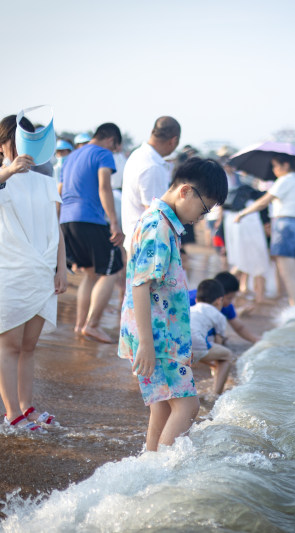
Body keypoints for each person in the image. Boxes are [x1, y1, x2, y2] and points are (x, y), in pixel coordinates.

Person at [119, 157, 227, 451]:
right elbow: (140, 285)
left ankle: (150, 467)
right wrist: (146, 344)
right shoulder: (159, 227)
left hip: (159, 332)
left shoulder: (161, 221)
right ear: (186, 191)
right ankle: (162, 474)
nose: (201, 218)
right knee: (188, 408)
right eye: (204, 209)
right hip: (155, 336)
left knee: (163, 407)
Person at [0, 114, 68, 431]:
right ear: (2, 143)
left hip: (43, 269)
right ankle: (12, 413)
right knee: (10, 346)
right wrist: (9, 169)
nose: (24, 146)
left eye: (30, 139)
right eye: (18, 139)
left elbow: (55, 227)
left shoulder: (46, 180)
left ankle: (26, 407)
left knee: (29, 347)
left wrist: (62, 268)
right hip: (9, 271)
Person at [60, 123, 124, 343]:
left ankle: (80, 325)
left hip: (67, 220)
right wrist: (114, 223)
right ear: (110, 140)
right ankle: (93, 324)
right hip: (90, 218)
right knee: (112, 270)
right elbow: (104, 187)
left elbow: (60, 191)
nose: (114, 152)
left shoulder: (71, 157)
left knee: (89, 273)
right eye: (115, 148)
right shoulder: (103, 154)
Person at [234, 154, 295, 306]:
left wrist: (243, 213)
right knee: (292, 269)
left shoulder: (286, 179)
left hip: (284, 224)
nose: (274, 170)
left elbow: (264, 201)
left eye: (275, 166)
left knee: (288, 271)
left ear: (285, 165)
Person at [121, 116, 180, 250]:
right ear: (173, 140)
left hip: (134, 237)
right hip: (147, 244)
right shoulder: (153, 166)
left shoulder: (137, 155)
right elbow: (155, 214)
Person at [222, 180, 270, 303]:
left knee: (241, 263)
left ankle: (222, 288)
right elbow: (267, 226)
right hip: (252, 229)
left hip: (234, 225)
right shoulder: (260, 203)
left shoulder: (239, 205)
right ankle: (260, 297)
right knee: (260, 263)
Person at [190, 279, 235, 397]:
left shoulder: (190, 309)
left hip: (178, 344)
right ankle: (215, 395)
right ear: (219, 300)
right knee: (227, 355)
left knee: (200, 348)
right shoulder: (219, 316)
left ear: (196, 300)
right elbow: (218, 343)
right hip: (196, 346)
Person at [189, 271, 262, 344]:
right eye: (229, 298)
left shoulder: (227, 306)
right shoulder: (191, 299)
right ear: (219, 297)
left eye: (232, 298)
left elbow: (239, 327)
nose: (231, 302)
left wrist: (255, 339)